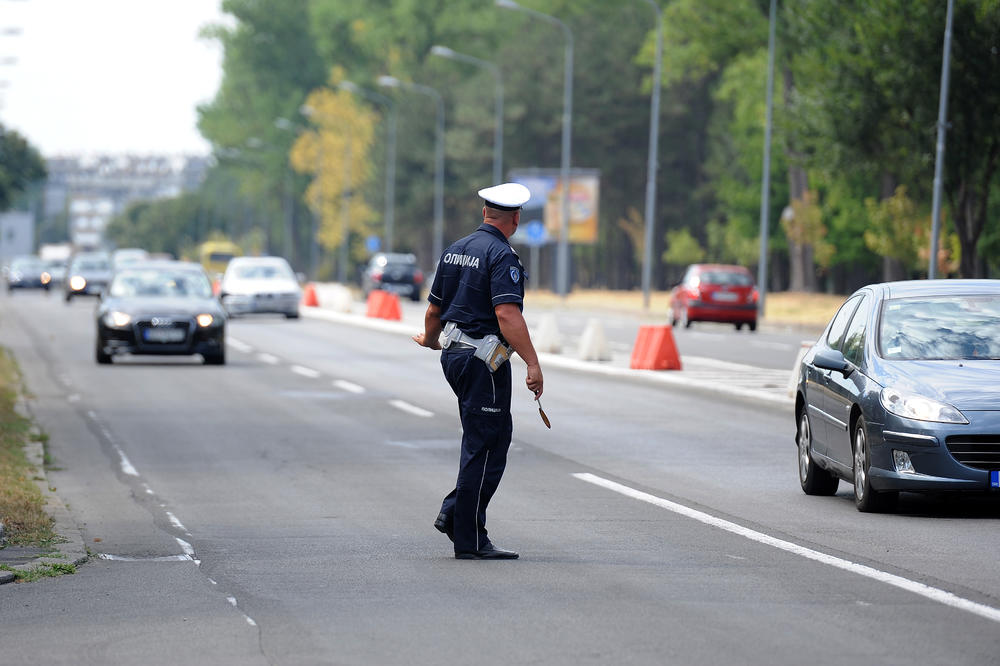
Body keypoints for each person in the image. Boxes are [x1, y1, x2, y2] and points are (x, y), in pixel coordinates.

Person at [413, 182, 544, 560]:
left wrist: (430, 340)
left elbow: (434, 310)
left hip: (454, 356)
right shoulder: (501, 256)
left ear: (485, 213)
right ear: (515, 219)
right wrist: (533, 364)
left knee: (490, 439)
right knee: (485, 446)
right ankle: (467, 536)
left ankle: (458, 513)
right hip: (482, 362)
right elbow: (506, 314)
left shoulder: (455, 250)